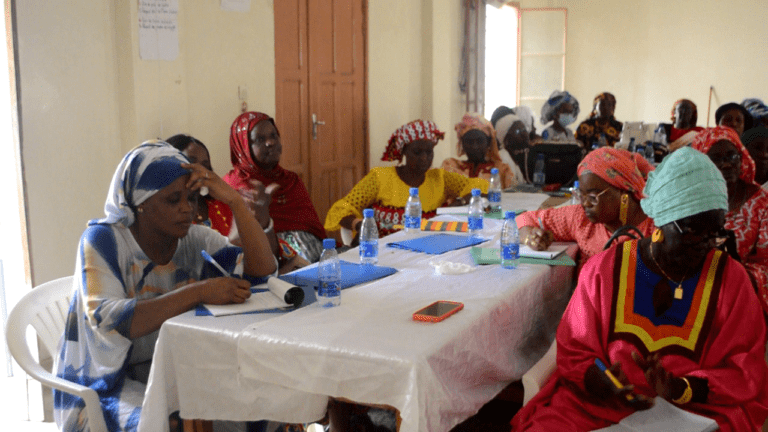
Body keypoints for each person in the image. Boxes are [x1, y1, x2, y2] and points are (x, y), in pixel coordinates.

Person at [511, 147, 768, 432]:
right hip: (601, 406)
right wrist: (602, 383)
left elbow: (744, 369)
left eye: (717, 232)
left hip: (697, 409)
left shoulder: (731, 279)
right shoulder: (604, 269)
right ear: (661, 219)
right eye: (695, 231)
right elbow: (574, 348)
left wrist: (680, 388)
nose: (708, 244)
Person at [54, 141, 277, 432]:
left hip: (172, 372)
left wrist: (235, 201)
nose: (187, 209)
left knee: (256, 406)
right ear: (140, 203)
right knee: (170, 425)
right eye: (173, 200)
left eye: (192, 198)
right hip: (103, 384)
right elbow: (109, 320)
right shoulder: (103, 240)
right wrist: (198, 291)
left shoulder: (195, 239)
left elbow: (262, 268)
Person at [166, 134, 308, 274]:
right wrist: (233, 244)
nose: (201, 172)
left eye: (205, 165)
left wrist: (264, 223)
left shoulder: (224, 206)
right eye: (191, 162)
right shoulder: (168, 215)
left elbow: (275, 257)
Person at [324, 119, 488, 237]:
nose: (424, 158)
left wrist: (462, 201)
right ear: (403, 152)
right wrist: (359, 224)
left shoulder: (440, 178)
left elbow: (479, 186)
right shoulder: (380, 177)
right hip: (386, 251)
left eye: (429, 152)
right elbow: (343, 208)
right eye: (417, 152)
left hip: (430, 250)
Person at [518, 147, 655, 267]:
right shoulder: (581, 219)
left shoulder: (657, 227)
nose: (585, 204)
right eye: (581, 195)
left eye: (592, 196)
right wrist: (530, 237)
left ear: (623, 192)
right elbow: (524, 218)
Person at [224, 111, 326, 263]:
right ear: (244, 147)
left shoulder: (290, 179)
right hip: (272, 264)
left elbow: (312, 228)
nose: (270, 142)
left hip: (315, 256)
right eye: (260, 139)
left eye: (273, 135)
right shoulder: (233, 186)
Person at [691, 126, 768, 316]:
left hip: (743, 296)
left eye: (732, 156)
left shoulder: (761, 203)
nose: (726, 164)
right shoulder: (691, 200)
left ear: (741, 158)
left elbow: (766, 264)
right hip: (695, 287)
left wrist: (732, 274)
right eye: (716, 158)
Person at [441, 113, 516, 189]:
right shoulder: (451, 167)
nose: (474, 146)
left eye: (480, 141)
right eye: (469, 141)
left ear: (488, 143)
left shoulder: (502, 170)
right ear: (462, 144)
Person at [492, 106, 532, 184]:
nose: (524, 134)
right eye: (518, 131)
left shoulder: (515, 157)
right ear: (506, 140)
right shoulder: (503, 159)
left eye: (524, 129)